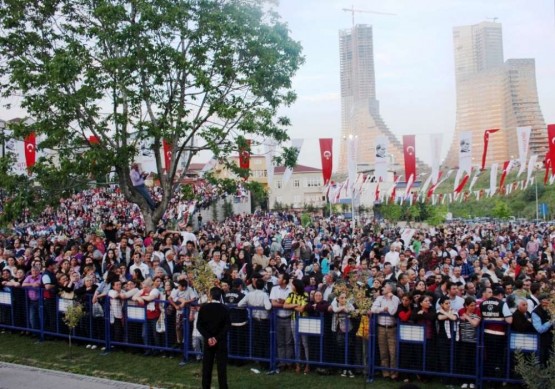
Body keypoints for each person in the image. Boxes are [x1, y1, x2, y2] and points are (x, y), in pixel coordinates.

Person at [197, 287, 231, 389]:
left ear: (210, 296)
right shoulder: (225, 308)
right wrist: (217, 337)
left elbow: (199, 325)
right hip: (220, 341)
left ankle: (206, 386)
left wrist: (209, 337)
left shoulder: (204, 308)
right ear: (220, 296)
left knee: (207, 366)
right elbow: (227, 326)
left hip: (208, 340)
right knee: (221, 367)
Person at [371, 282, 400, 381]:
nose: (383, 288)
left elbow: (392, 312)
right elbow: (373, 309)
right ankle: (385, 373)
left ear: (390, 289)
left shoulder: (395, 299)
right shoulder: (379, 298)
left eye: (385, 287)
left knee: (393, 352)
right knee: (383, 352)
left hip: (392, 328)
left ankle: (394, 374)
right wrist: (383, 308)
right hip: (381, 328)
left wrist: (391, 299)